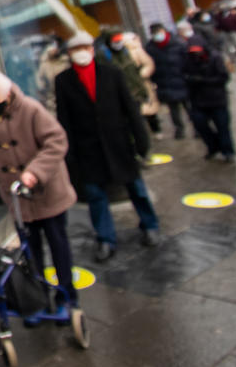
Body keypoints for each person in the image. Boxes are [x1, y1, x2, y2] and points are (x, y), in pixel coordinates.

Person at [0, 70, 79, 309]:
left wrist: (34, 172)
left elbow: (57, 141)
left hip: (47, 191)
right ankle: (38, 298)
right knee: (30, 252)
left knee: (58, 246)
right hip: (17, 198)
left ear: (8, 94)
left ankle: (67, 297)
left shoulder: (31, 110)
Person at [55, 31, 160, 262]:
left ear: (92, 50)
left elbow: (130, 110)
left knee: (136, 189)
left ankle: (150, 225)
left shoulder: (112, 74)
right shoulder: (63, 81)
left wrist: (141, 141)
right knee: (96, 196)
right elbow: (64, 119)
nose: (81, 52)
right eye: (76, 49)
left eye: (85, 47)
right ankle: (105, 239)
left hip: (119, 144)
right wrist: (69, 154)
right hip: (88, 149)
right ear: (70, 54)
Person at [183, 43, 236, 163]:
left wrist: (203, 80)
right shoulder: (188, 61)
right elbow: (183, 76)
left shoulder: (215, 58)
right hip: (198, 101)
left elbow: (223, 77)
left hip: (217, 100)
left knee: (223, 127)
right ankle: (213, 147)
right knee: (200, 125)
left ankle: (227, 151)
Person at [145, 22, 191, 139]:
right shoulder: (150, 48)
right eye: (154, 33)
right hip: (165, 84)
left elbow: (187, 60)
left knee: (189, 107)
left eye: (159, 32)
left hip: (182, 80)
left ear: (164, 31)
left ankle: (197, 128)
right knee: (173, 110)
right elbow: (150, 65)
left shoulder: (177, 43)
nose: (158, 35)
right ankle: (179, 130)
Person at [35, 36, 68, 114]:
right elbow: (40, 83)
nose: (54, 50)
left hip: (67, 97)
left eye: (55, 47)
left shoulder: (66, 62)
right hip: (52, 101)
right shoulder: (44, 65)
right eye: (52, 48)